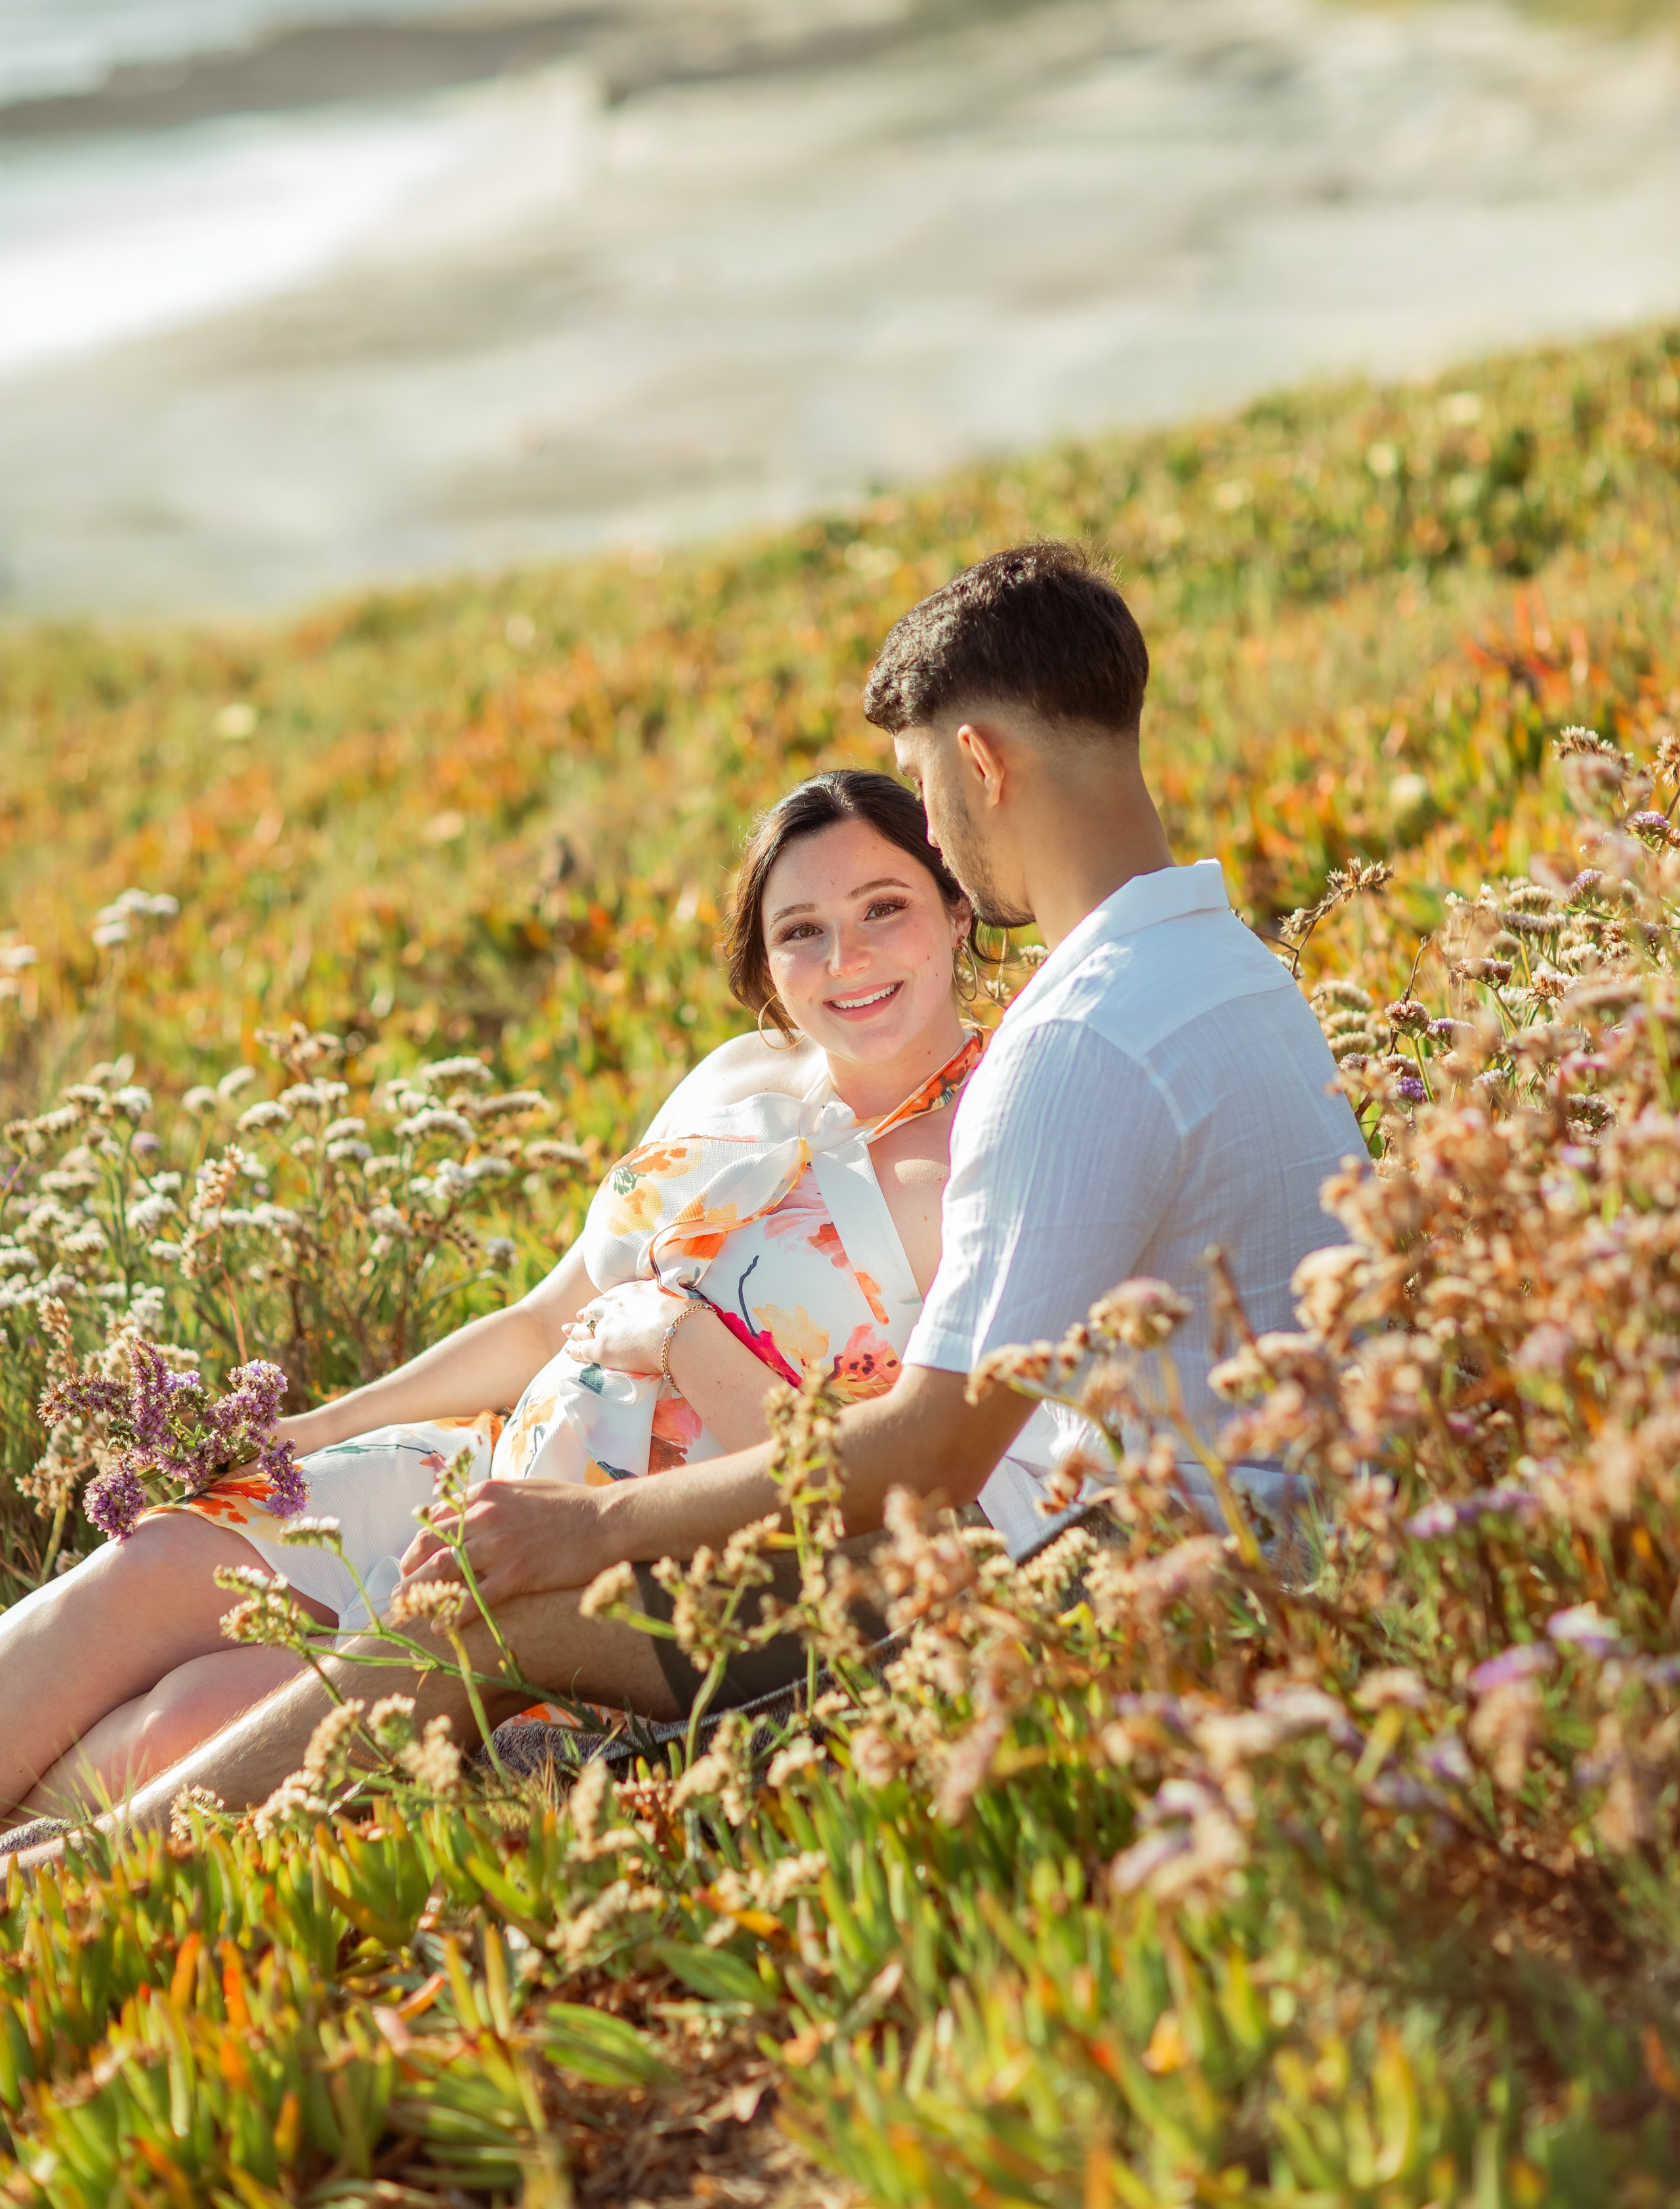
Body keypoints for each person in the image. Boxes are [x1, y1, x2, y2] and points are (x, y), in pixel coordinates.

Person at [9, 540, 1364, 1848]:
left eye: (921, 808)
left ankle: (73, 1877)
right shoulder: (1226, 973)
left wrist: (588, 1510)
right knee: (201, 1580)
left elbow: (926, 1454)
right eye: (802, 930)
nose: (941, 851)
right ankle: (76, 1862)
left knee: (387, 1651)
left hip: (1035, 1591)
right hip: (1121, 1554)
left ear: (977, 763)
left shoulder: (1072, 1040)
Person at [0, 768, 1071, 1828]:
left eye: (885, 908)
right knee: (151, 1566)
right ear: (765, 960)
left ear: (956, 907)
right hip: (481, 1468)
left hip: (630, 1573)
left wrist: (683, 1338)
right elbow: (543, 1316)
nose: (848, 959)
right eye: (802, 930)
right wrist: (310, 1428)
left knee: (194, 1722)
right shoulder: (741, 1078)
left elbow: (903, 1485)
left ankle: (50, 1892)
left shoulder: (991, 1145)